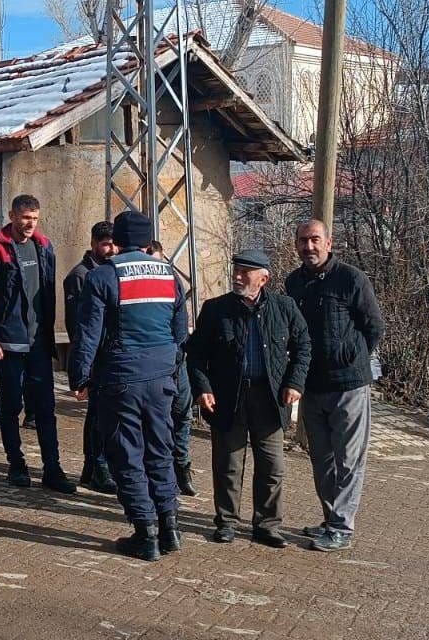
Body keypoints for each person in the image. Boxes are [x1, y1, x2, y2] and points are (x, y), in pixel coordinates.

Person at [68, 211, 187, 562]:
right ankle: (171, 527)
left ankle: (145, 533)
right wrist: (169, 366)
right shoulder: (169, 275)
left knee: (128, 453)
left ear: (117, 240)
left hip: (121, 377)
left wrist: (80, 377)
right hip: (162, 376)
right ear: (150, 241)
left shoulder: (104, 276)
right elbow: (180, 331)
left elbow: (88, 334)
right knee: (160, 450)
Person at [186, 250, 311, 547]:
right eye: (236, 271)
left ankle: (267, 525)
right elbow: (195, 354)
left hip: (269, 398)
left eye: (246, 272)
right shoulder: (216, 309)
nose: (238, 276)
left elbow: (304, 346)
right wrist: (202, 388)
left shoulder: (284, 307)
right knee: (228, 464)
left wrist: (295, 382)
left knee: (272, 465)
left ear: (264, 277)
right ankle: (227, 521)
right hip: (228, 397)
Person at [285, 220, 385, 552]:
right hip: (313, 386)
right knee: (321, 459)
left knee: (349, 459)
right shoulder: (294, 283)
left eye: (315, 240)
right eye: (303, 241)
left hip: (349, 386)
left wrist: (350, 357)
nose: (308, 246)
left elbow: (374, 326)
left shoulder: (350, 278)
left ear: (329, 243)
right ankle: (331, 519)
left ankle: (342, 527)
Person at [0, 195, 76, 494]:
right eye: (24, 218)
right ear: (12, 216)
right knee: (10, 407)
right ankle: (16, 464)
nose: (30, 223)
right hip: (9, 343)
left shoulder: (45, 247)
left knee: (46, 408)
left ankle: (52, 467)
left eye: (34, 218)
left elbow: (49, 294)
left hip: (38, 342)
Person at [64, 220, 119, 494]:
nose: (111, 249)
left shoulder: (115, 274)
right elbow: (79, 327)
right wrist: (82, 367)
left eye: (114, 243)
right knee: (97, 416)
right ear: (94, 243)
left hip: (111, 355)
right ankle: (98, 468)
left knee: (103, 415)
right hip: (94, 357)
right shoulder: (81, 276)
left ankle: (92, 469)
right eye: (105, 243)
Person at [147, 240, 197, 496]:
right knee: (155, 420)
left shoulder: (171, 280)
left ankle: (181, 467)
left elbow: (181, 322)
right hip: (151, 365)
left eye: (159, 261)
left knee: (183, 414)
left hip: (176, 360)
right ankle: (158, 472)